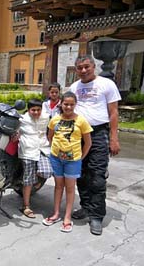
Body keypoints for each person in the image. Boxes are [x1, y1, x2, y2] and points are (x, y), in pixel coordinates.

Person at [69, 54, 121, 235]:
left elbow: (113, 113)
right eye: (79, 68)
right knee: (80, 174)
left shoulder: (107, 84)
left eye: (86, 67)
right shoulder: (74, 87)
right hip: (78, 135)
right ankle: (85, 206)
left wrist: (114, 138)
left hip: (98, 134)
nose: (83, 70)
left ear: (93, 67)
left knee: (97, 176)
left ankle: (97, 216)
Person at [42, 91, 92, 233]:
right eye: (66, 104)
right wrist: (55, 150)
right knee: (58, 187)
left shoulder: (81, 121)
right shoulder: (54, 120)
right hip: (56, 159)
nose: (68, 107)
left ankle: (67, 217)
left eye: (71, 104)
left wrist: (80, 158)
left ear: (75, 105)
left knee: (70, 188)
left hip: (73, 161)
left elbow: (88, 143)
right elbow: (50, 136)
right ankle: (56, 213)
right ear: (61, 104)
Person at [18, 99, 53, 218]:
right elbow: (15, 130)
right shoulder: (22, 119)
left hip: (42, 148)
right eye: (33, 110)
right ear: (28, 110)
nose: (36, 112)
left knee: (47, 171)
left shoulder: (46, 117)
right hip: (28, 151)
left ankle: (34, 184)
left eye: (38, 110)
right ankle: (26, 206)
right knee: (28, 179)